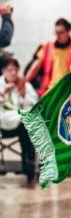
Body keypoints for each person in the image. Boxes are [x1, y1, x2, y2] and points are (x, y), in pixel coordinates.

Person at [0, 58, 38, 186]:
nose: (13, 73)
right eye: (10, 70)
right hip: (1, 122)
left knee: (28, 126)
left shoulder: (25, 85)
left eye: (15, 70)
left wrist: (23, 95)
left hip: (18, 123)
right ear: (4, 71)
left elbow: (34, 105)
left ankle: (29, 167)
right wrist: (4, 93)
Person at [25, 18, 71, 96]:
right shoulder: (47, 47)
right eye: (56, 32)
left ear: (68, 31)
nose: (58, 35)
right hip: (50, 90)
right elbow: (35, 67)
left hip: (70, 91)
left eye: (61, 32)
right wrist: (24, 82)